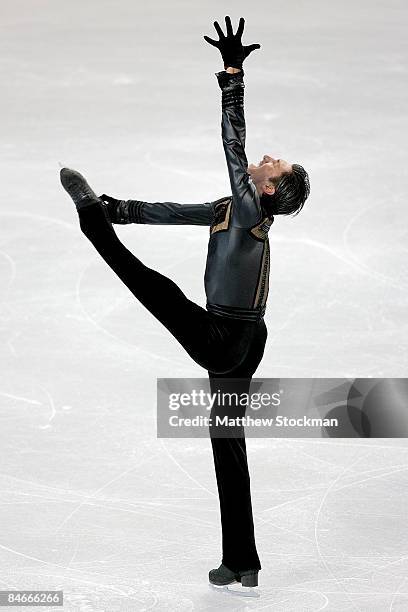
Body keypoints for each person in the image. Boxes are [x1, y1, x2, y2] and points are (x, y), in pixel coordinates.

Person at [60, 15, 310, 590]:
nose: (269, 157)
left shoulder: (250, 208)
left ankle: (93, 226)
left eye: (276, 165)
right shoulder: (234, 209)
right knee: (228, 450)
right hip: (246, 342)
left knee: (156, 289)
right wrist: (123, 205)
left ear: (269, 189)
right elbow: (178, 212)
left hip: (227, 339)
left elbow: (232, 142)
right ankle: (242, 561)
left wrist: (232, 77)